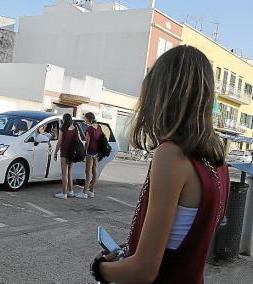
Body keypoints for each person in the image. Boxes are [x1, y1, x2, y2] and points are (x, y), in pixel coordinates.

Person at [90, 45, 230, 283]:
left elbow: (143, 271)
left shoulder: (171, 155)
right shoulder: (218, 162)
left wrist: (99, 269)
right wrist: (128, 251)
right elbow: (186, 240)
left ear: (162, 95)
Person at [75, 112, 100, 199]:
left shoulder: (89, 128)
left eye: (85, 118)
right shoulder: (98, 127)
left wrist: (84, 152)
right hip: (96, 152)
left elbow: (87, 142)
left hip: (90, 152)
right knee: (94, 171)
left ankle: (84, 192)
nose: (84, 120)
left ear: (88, 118)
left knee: (88, 172)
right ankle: (91, 191)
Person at [54, 113, 77, 199]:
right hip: (72, 152)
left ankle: (64, 193)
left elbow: (59, 141)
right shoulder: (75, 128)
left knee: (64, 173)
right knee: (69, 172)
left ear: (64, 120)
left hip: (64, 152)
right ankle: (70, 191)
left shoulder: (63, 129)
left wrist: (55, 152)